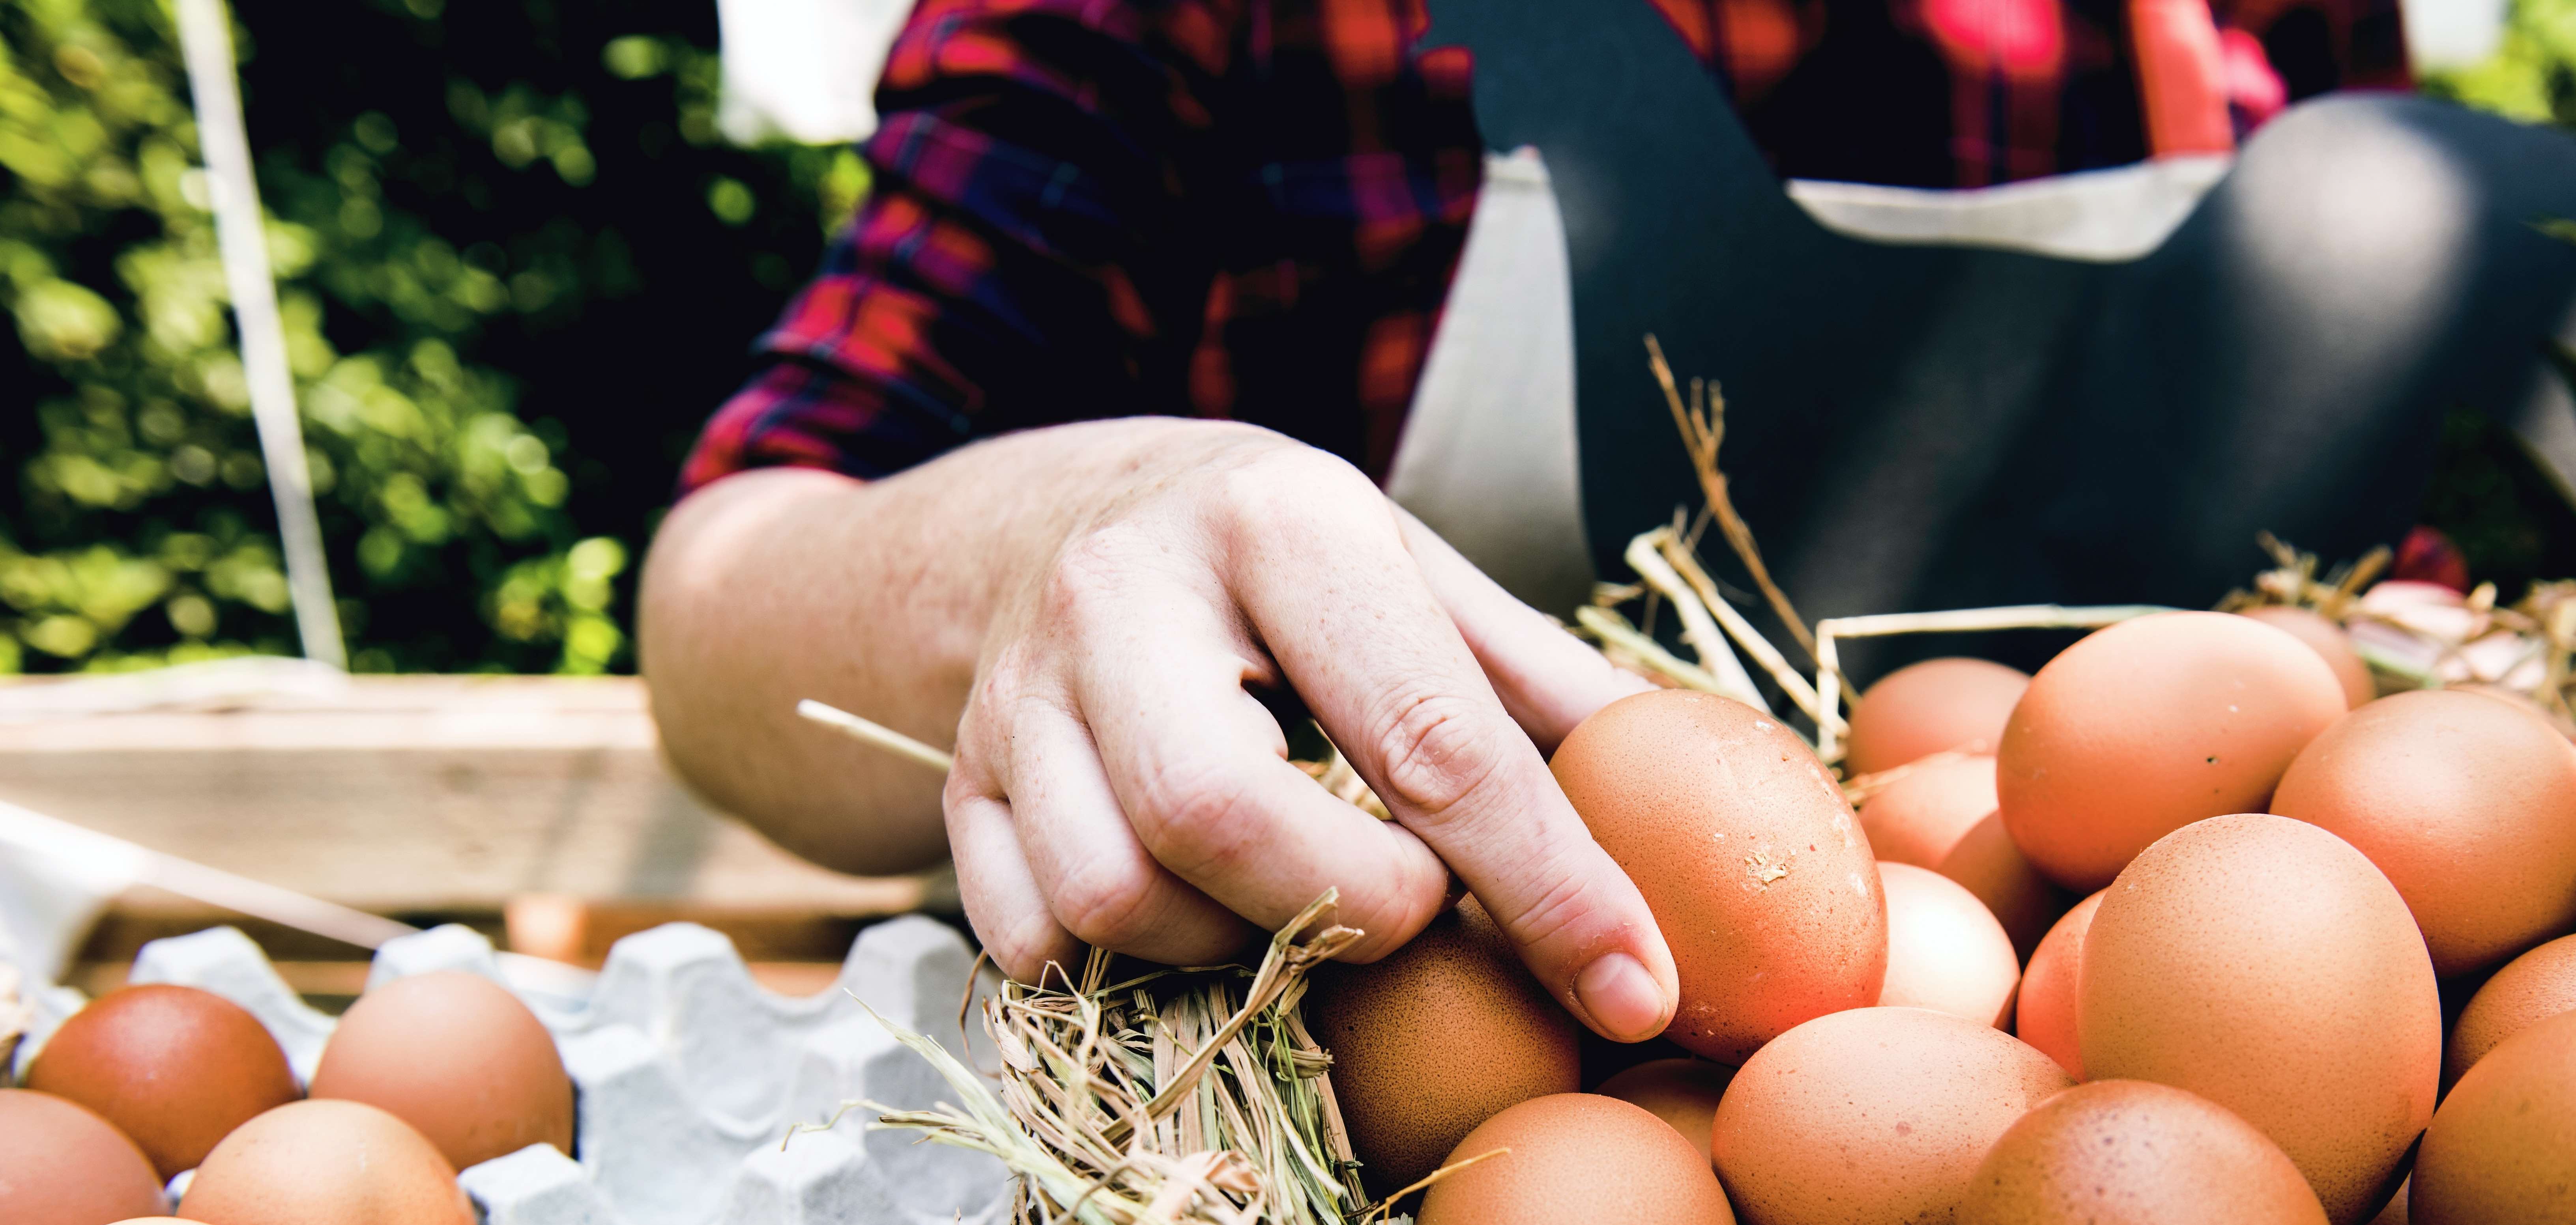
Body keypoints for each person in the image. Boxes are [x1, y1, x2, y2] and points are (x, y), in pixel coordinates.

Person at [639, 0, 2407, 1039]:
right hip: (1457, 1092)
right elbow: (717, 607)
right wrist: (1062, 533)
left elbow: (2388, 565)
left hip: (2157, 1004)